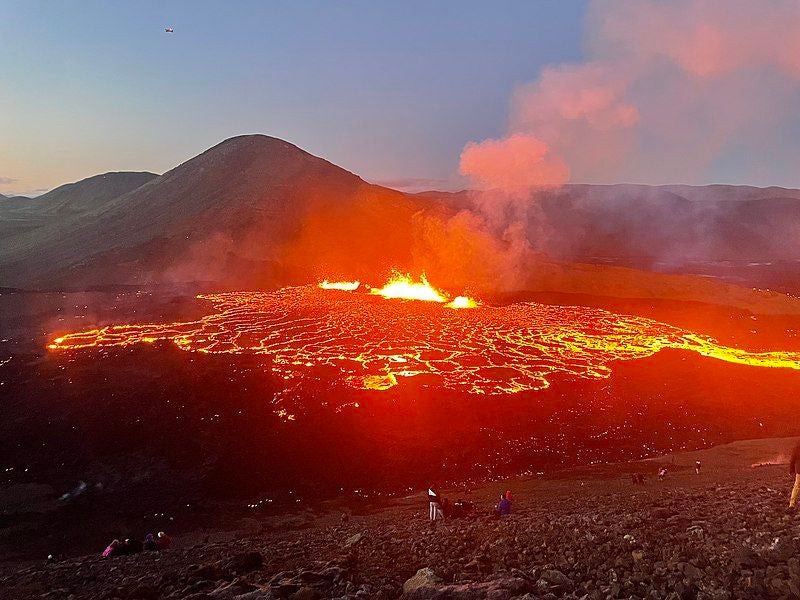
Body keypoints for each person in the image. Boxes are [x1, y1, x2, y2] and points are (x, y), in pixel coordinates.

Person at [790, 440, 800, 508]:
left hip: (799, 469)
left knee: (797, 486)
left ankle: (792, 503)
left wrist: (791, 469)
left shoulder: (796, 449)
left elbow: (792, 460)